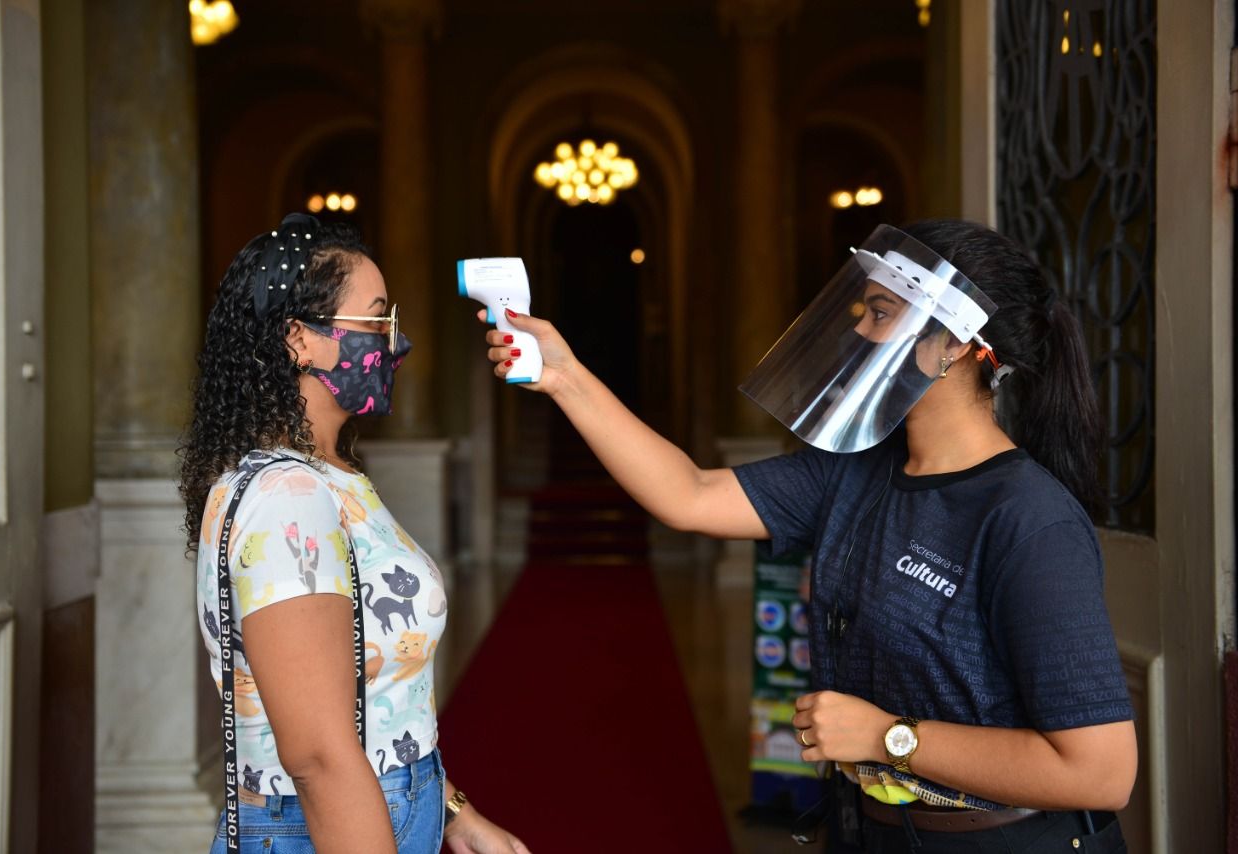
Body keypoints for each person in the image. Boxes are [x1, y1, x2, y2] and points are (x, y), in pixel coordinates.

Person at [481, 219, 1135, 852]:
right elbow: (689, 495)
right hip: (870, 830)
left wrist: (888, 737)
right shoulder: (853, 471)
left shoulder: (1028, 518)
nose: (858, 327)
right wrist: (565, 377)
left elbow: (1100, 771)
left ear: (955, 344)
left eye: (880, 313)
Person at [180, 213, 530, 854]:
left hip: (389, 806)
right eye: (377, 320)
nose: (397, 343)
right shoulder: (286, 498)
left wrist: (452, 810)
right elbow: (318, 758)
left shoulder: (327, 475)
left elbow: (382, 703)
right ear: (300, 341)